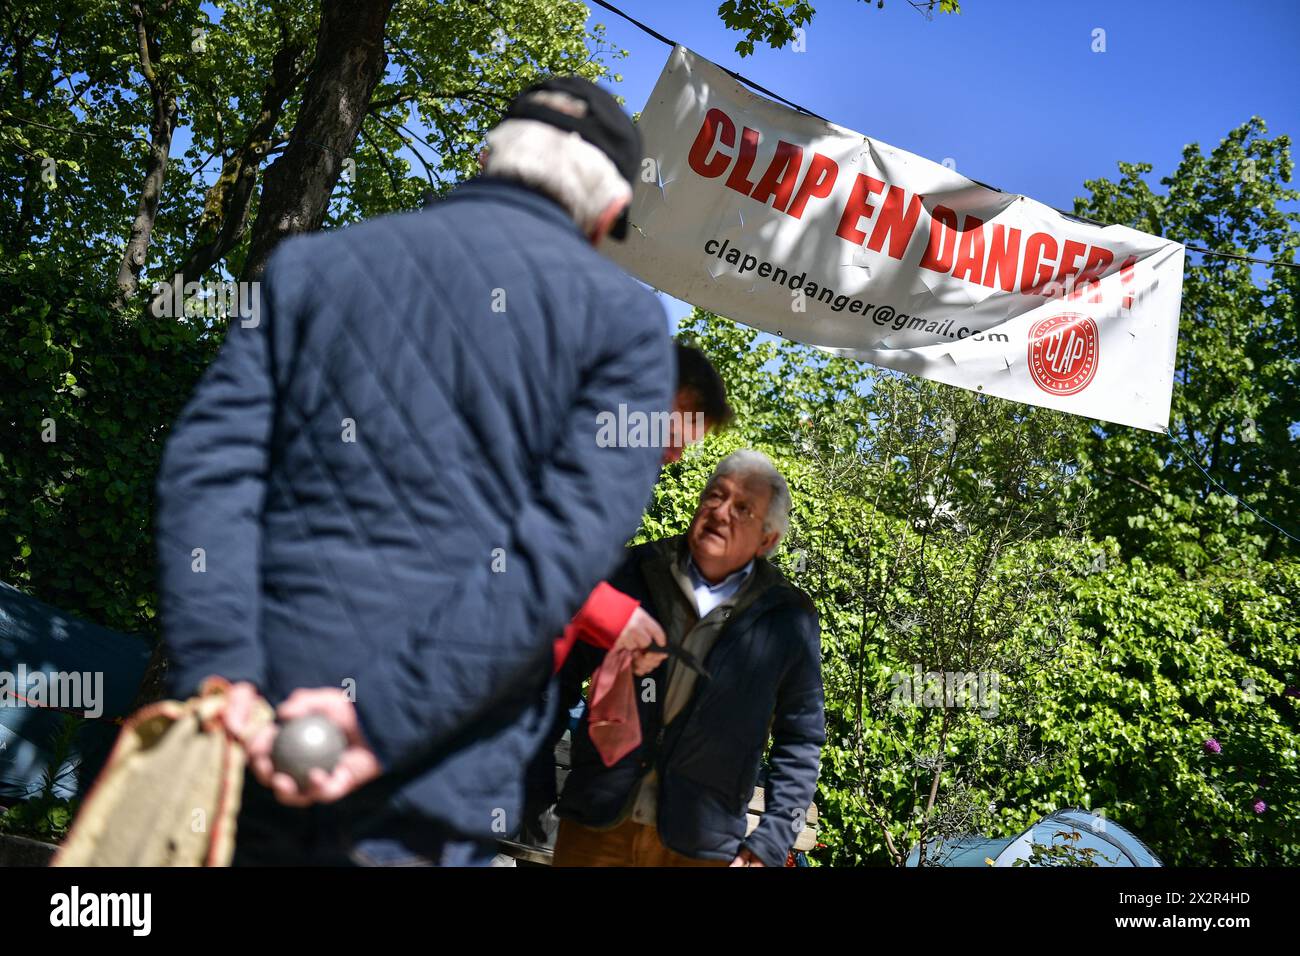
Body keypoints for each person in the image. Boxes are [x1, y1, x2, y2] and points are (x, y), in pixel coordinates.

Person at [154, 76, 674, 866]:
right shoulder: (627, 325)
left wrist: (225, 680)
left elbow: (207, 476)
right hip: (433, 777)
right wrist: (379, 722)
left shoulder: (311, 267)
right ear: (606, 215)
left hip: (244, 744)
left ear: (485, 158)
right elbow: (555, 559)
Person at [548, 450, 825, 867]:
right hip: (597, 825)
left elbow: (800, 738)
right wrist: (530, 773)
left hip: (698, 846)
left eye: (743, 508)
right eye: (714, 496)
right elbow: (556, 676)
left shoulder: (788, 619)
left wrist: (771, 839)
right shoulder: (632, 574)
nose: (720, 512)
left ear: (767, 540)